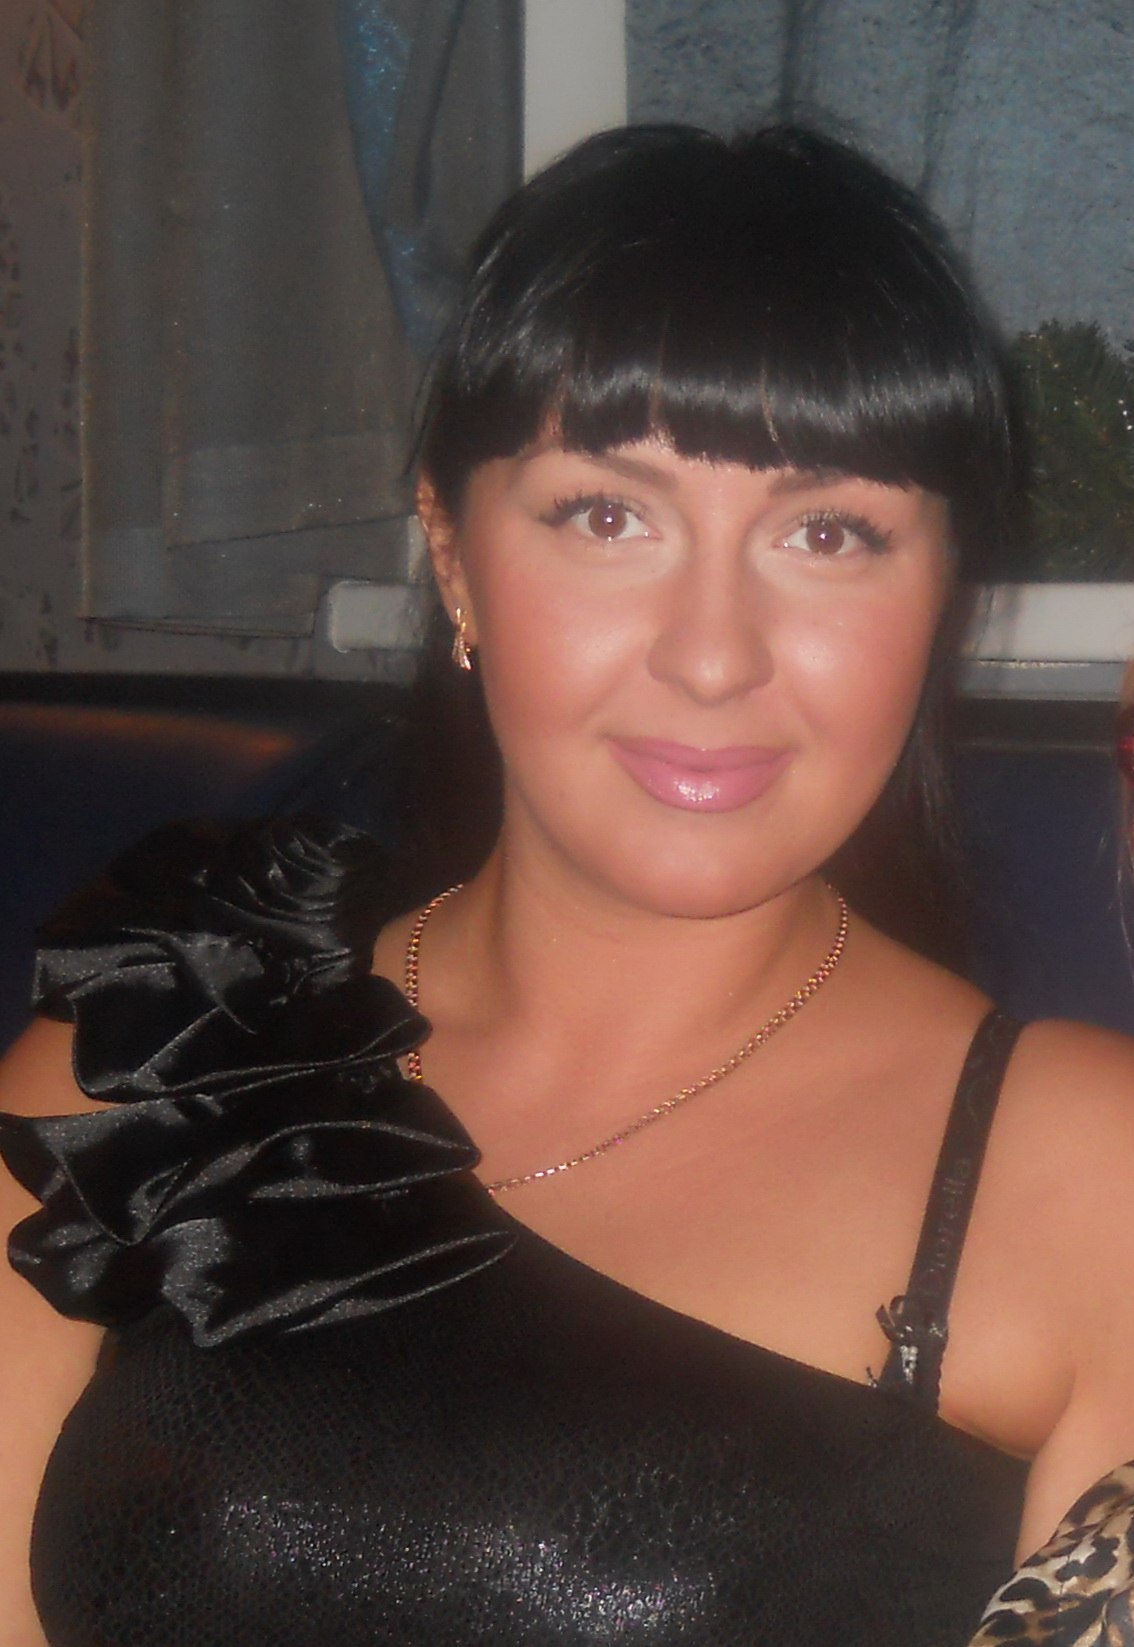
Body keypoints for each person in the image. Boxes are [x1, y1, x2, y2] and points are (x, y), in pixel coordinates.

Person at [2, 123, 1134, 1647]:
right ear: (453, 555)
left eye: (828, 533)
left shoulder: (1084, 1175)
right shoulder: (163, 1043)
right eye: (608, 516)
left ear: (941, 596)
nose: (712, 654)